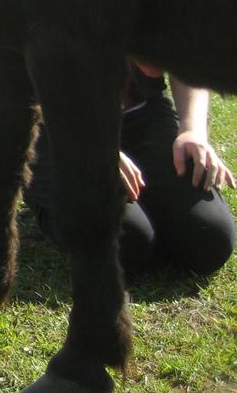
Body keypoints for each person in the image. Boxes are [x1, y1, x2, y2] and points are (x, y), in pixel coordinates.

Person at [23, 62, 236, 276]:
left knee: (209, 241)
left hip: (140, 114)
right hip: (55, 128)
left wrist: (192, 130)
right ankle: (50, 201)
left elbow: (187, 58)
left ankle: (153, 210)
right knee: (125, 242)